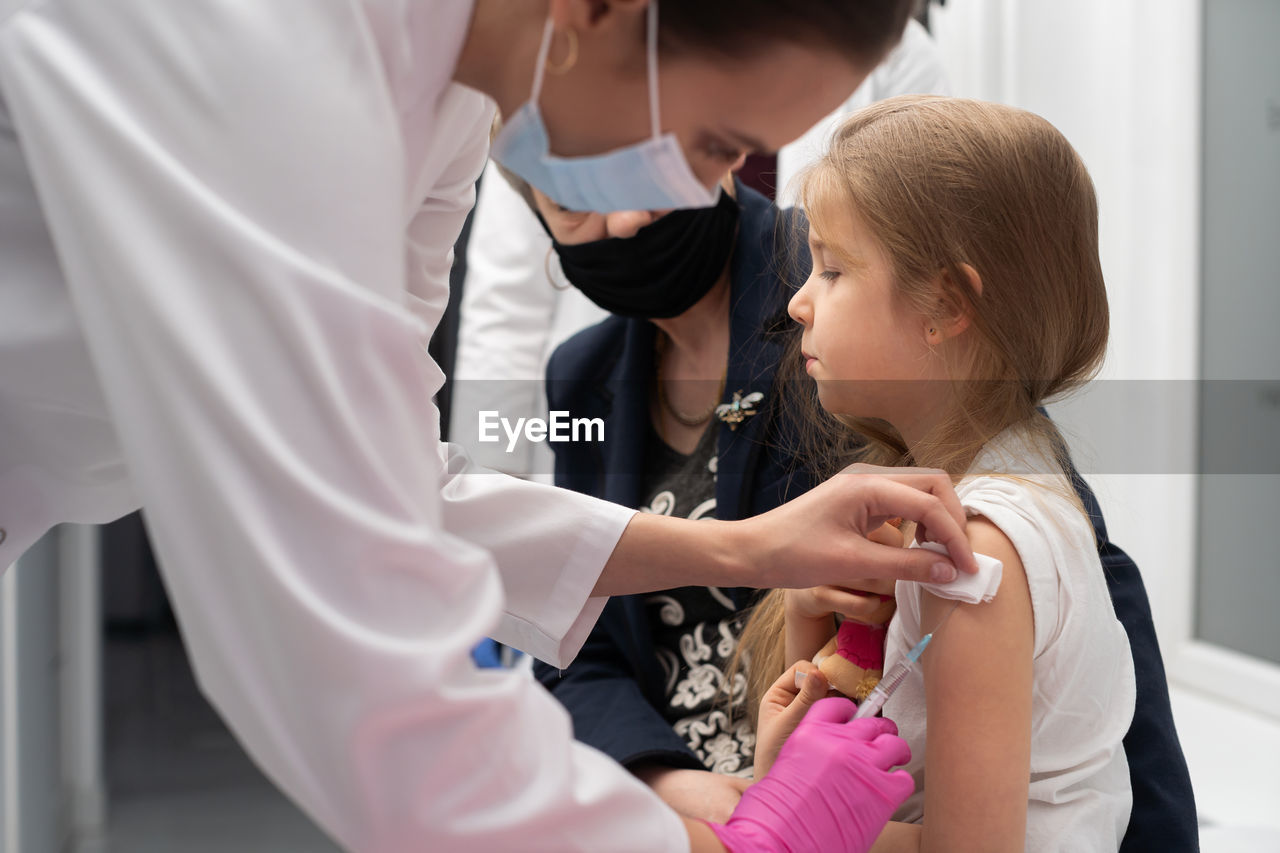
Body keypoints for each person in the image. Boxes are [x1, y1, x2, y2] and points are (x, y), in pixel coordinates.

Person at [0, 1, 982, 851]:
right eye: (715, 144)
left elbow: (384, 478)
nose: (695, 194)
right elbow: (357, 663)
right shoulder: (266, 54)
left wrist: (738, 548)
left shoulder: (455, 106)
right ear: (601, 10)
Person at [740, 95, 1141, 851]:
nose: (798, 303)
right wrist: (806, 614)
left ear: (946, 305)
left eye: (830, 269)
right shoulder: (965, 499)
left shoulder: (979, 554)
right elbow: (857, 740)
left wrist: (773, 807)